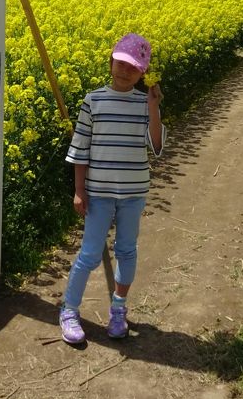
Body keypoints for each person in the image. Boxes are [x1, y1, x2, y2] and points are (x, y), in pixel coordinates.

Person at [59, 33, 165, 345]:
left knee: (127, 251)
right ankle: (69, 310)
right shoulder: (93, 100)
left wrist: (155, 107)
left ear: (143, 73)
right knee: (90, 253)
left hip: (133, 193)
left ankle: (118, 308)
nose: (124, 71)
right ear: (110, 62)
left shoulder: (144, 103)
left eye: (133, 67)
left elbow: (156, 146)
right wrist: (79, 189)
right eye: (120, 63)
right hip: (100, 193)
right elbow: (81, 148)